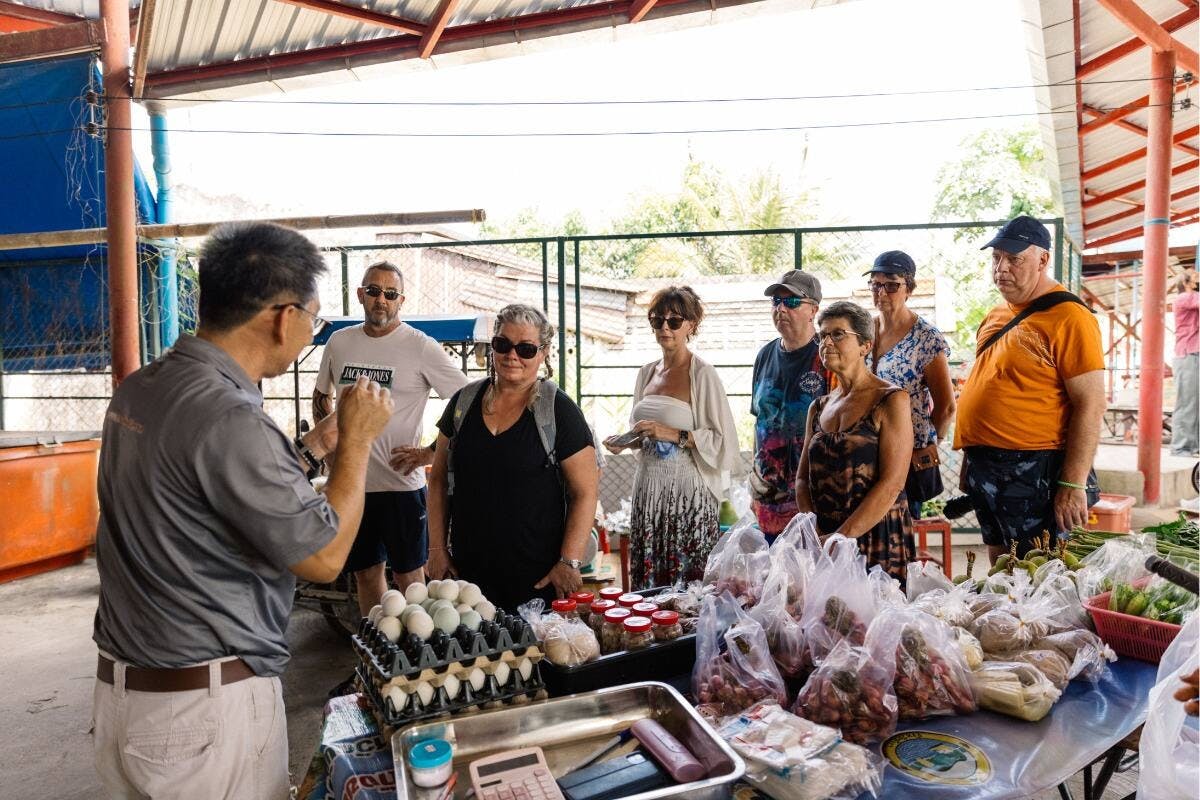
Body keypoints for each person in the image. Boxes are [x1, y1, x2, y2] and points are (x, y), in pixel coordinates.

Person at [91, 222, 394, 798]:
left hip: (127, 697)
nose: (311, 331)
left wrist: (314, 447)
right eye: (314, 317)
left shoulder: (144, 388)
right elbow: (324, 557)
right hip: (202, 715)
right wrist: (356, 442)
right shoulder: (230, 417)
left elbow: (207, 492)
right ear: (284, 317)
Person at [314, 261, 468, 615]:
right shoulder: (339, 342)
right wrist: (330, 451)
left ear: (401, 300)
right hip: (352, 486)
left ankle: (413, 663)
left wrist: (429, 453)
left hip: (401, 488)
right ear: (360, 295)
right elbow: (321, 396)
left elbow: (467, 401)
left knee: (410, 581)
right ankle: (377, 655)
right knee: (365, 576)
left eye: (389, 293)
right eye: (373, 291)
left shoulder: (419, 347)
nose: (380, 299)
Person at [426, 304, 599, 612]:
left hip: (537, 580)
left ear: (543, 353)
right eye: (503, 344)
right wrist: (437, 549)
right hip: (468, 579)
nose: (512, 355)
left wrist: (569, 561)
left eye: (526, 348)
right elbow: (438, 479)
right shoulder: (463, 403)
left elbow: (585, 492)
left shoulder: (559, 411)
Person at [954, 215, 1105, 563]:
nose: (1001, 268)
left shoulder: (1071, 317)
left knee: (1039, 570)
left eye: (1014, 259)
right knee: (1001, 562)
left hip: (1034, 471)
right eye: (996, 258)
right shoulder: (995, 314)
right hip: (985, 466)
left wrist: (1072, 483)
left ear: (1042, 260)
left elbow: (1091, 404)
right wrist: (969, 457)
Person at [603, 286, 739, 589]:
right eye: (657, 320)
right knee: (648, 580)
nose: (665, 327)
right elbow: (645, 432)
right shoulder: (646, 373)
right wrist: (626, 440)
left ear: (691, 325)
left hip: (688, 494)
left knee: (685, 585)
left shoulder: (702, 374)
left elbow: (724, 442)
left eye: (674, 321)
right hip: (649, 490)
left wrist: (672, 433)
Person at [796, 301, 915, 583]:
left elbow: (892, 483)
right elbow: (802, 479)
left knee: (874, 622)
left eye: (838, 334)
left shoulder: (890, 400)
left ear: (865, 346)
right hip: (824, 537)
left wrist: (842, 537)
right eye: (822, 335)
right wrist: (812, 530)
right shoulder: (819, 406)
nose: (826, 342)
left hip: (875, 536)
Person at [864, 251, 956, 519]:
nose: (881, 292)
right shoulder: (866, 330)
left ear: (909, 289)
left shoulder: (925, 338)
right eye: (876, 284)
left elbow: (947, 407)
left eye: (891, 285)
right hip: (867, 449)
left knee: (898, 535)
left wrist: (928, 441)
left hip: (904, 455)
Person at [749, 270, 830, 539]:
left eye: (792, 302)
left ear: (813, 310)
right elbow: (759, 423)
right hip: (768, 500)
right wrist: (754, 482)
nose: (781, 308)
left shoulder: (828, 357)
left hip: (812, 500)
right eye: (776, 301)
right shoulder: (765, 355)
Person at [1171, 267, 1198, 457]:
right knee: (1187, 403)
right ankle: (1181, 447)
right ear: (1186, 283)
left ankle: (1193, 446)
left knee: (1196, 403)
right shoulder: (1183, 298)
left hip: (1194, 355)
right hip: (1187, 355)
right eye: (1195, 279)